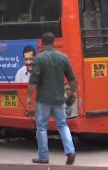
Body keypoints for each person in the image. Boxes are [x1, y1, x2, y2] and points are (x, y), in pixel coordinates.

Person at [26, 32, 78, 165]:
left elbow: (33, 80)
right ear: (54, 42)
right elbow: (71, 78)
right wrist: (73, 93)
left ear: (42, 42)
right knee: (62, 124)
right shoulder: (63, 57)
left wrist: (28, 97)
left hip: (43, 99)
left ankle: (43, 157)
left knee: (42, 127)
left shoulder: (39, 58)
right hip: (59, 99)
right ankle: (70, 151)